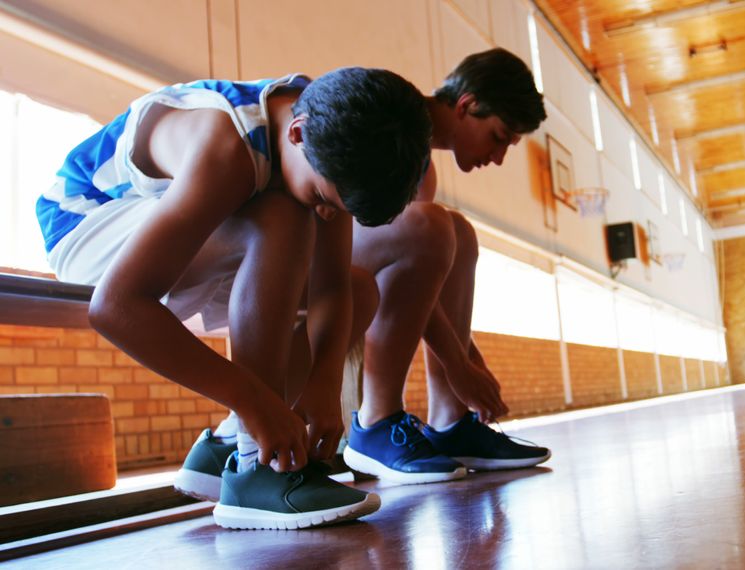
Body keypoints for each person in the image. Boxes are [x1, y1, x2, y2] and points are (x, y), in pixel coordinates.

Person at [36, 68, 432, 528]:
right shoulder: (227, 145)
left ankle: (222, 448)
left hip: (188, 235)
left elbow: (331, 289)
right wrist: (254, 401)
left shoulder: (331, 136)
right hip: (86, 224)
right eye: (325, 197)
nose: (328, 213)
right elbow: (116, 306)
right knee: (284, 216)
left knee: (359, 289)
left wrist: (324, 381)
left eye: (339, 211)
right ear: (298, 134)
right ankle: (256, 467)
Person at [342, 48, 551, 483]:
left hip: (355, 263)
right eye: (498, 137)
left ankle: (450, 423)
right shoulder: (390, 117)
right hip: (297, 254)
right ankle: (375, 420)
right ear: (467, 105)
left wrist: (469, 363)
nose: (497, 158)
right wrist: (458, 366)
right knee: (434, 226)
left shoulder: (423, 167)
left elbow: (418, 285)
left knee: (458, 232)